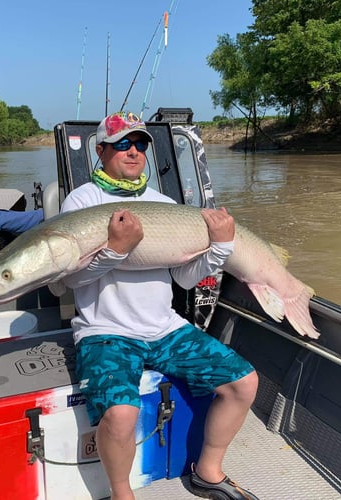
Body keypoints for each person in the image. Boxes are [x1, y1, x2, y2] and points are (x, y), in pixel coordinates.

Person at [60, 111, 260, 500]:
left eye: (140, 144)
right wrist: (116, 250)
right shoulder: (83, 200)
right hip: (106, 333)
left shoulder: (163, 203)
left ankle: (208, 471)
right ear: (100, 151)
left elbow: (184, 278)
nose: (133, 152)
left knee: (243, 382)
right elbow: (71, 279)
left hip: (164, 327)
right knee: (121, 413)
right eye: (122, 144)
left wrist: (219, 248)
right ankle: (122, 494)